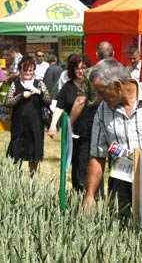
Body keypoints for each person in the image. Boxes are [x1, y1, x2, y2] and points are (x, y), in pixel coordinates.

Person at [83, 58, 142, 215]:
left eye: (102, 92)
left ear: (117, 85)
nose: (100, 98)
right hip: (121, 181)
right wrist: (90, 195)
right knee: (120, 231)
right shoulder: (103, 110)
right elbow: (97, 155)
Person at [48, 54, 91, 191]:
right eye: (77, 68)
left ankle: (86, 190)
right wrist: (53, 124)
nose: (80, 71)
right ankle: (77, 190)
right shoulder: (68, 87)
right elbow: (60, 106)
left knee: (84, 162)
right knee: (75, 161)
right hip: (72, 132)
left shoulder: (92, 86)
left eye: (83, 68)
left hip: (89, 130)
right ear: (72, 70)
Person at [5, 56, 51, 177]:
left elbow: (49, 101)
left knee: (34, 152)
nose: (28, 73)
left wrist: (39, 92)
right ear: (20, 70)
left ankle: (32, 177)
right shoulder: (15, 84)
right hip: (18, 125)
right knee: (16, 150)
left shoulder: (39, 84)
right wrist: (21, 96)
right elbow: (8, 102)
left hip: (35, 124)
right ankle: (16, 176)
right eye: (25, 70)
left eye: (30, 70)